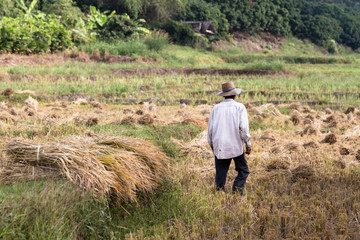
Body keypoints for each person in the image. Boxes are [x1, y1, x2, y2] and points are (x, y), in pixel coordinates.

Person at [207, 81, 251, 195]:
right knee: (243, 170)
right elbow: (243, 128)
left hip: (220, 145)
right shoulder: (239, 107)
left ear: (223, 95)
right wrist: (248, 143)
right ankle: (237, 190)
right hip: (235, 145)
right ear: (235, 95)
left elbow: (210, 130)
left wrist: (213, 146)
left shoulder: (216, 109)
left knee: (220, 173)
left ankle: (219, 194)